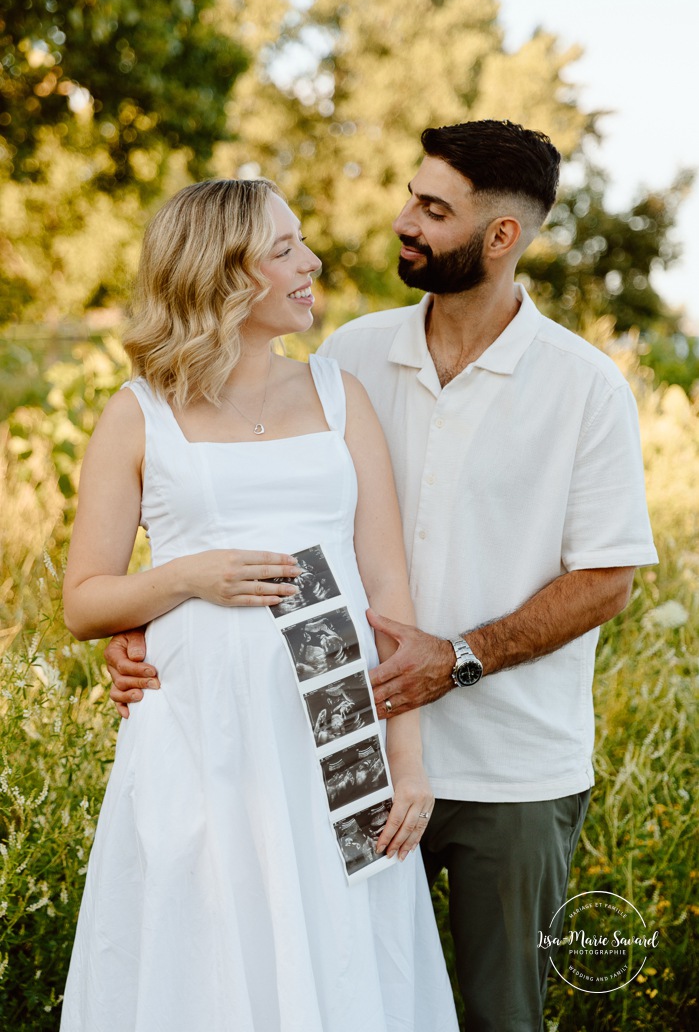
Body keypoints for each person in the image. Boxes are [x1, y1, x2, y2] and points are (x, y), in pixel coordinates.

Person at [105, 121, 658, 1031]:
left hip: (509, 769)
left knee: (500, 1016)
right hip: (335, 752)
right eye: (410, 196)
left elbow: (607, 581)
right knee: (348, 993)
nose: (404, 220)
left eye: (432, 210)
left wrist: (458, 658)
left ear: (500, 236)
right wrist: (151, 622)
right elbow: (250, 499)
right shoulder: (348, 356)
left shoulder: (584, 385)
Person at [60, 177, 458, 1032]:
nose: (310, 262)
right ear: (222, 273)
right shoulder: (138, 414)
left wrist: (407, 759)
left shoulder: (338, 395)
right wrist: (186, 578)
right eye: (284, 249)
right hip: (199, 732)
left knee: (343, 951)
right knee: (204, 951)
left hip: (337, 727)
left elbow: (389, 591)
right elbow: (84, 601)